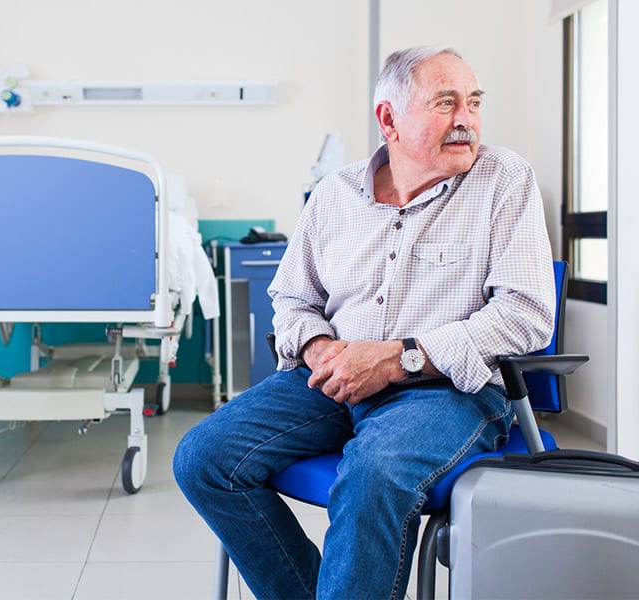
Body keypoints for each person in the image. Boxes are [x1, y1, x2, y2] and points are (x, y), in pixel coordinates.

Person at [173, 45, 555, 599]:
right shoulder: (335, 196)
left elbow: (525, 316)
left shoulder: (504, 180)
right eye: (445, 103)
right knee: (203, 458)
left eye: (473, 102)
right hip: (335, 381)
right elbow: (292, 299)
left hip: (446, 388)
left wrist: (399, 358)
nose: (465, 120)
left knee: (374, 476)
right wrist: (320, 349)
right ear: (388, 120)